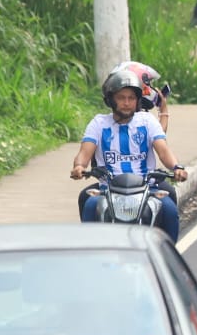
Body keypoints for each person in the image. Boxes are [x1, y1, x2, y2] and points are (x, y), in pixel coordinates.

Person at [70, 68, 186, 240]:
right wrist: (79, 167)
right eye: (121, 98)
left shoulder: (147, 121)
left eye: (131, 98)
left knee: (169, 209)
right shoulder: (99, 123)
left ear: (138, 101)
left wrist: (176, 167)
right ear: (110, 100)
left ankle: (168, 255)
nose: (126, 103)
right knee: (90, 205)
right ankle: (91, 253)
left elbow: (163, 150)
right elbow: (84, 152)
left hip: (146, 188)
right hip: (108, 189)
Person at [111, 59, 171, 131]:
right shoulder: (143, 120)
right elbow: (159, 137)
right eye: (149, 84)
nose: (152, 89)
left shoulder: (104, 122)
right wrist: (164, 111)